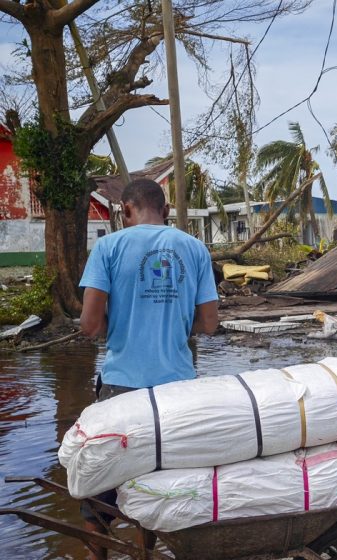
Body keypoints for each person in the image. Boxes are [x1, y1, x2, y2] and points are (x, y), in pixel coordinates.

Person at [77, 178, 219, 559]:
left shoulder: (107, 247)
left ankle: (97, 554)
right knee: (157, 486)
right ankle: (146, 553)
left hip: (121, 390)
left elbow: (89, 325)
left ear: (125, 210)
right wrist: (174, 323)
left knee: (99, 491)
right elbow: (209, 322)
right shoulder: (194, 249)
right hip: (177, 392)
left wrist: (117, 322)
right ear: (166, 210)